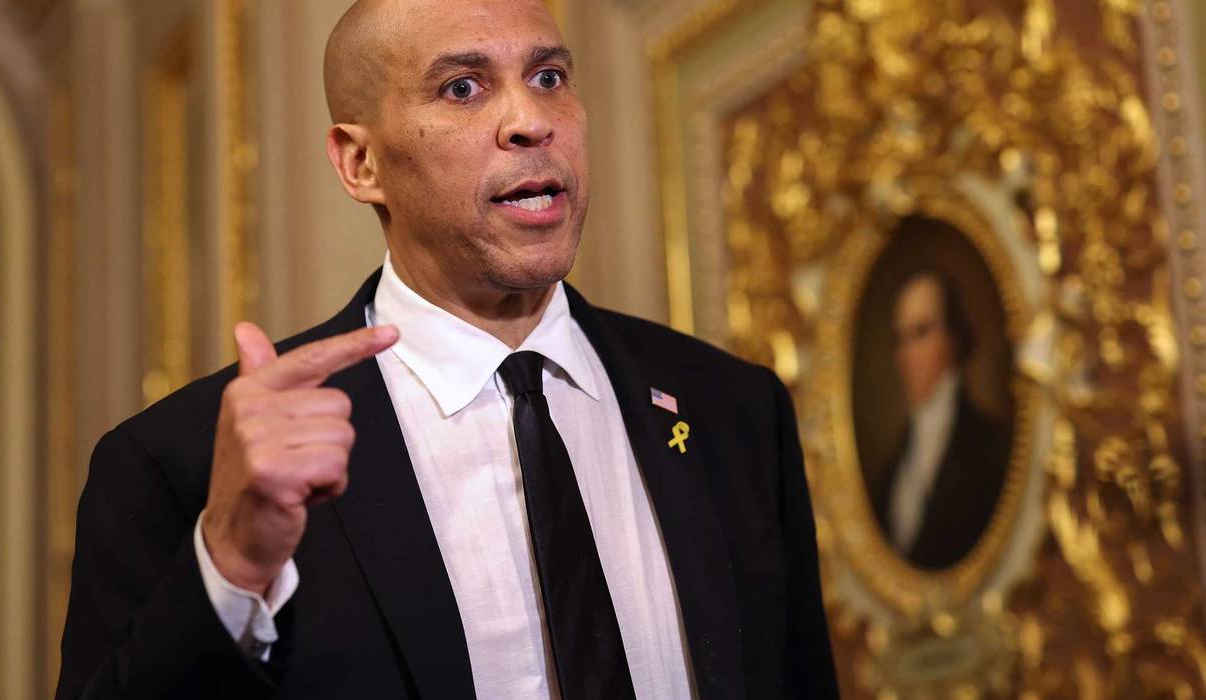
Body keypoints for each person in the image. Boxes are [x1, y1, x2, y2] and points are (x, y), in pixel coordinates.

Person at [55, 0, 837, 697]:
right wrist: (231, 569)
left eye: (549, 78)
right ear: (360, 163)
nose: (530, 120)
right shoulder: (179, 463)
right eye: (462, 88)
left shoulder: (734, 409)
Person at [872, 269, 1009, 570]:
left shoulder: (992, 448)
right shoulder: (891, 467)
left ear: (953, 337)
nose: (907, 354)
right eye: (900, 339)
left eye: (921, 332)